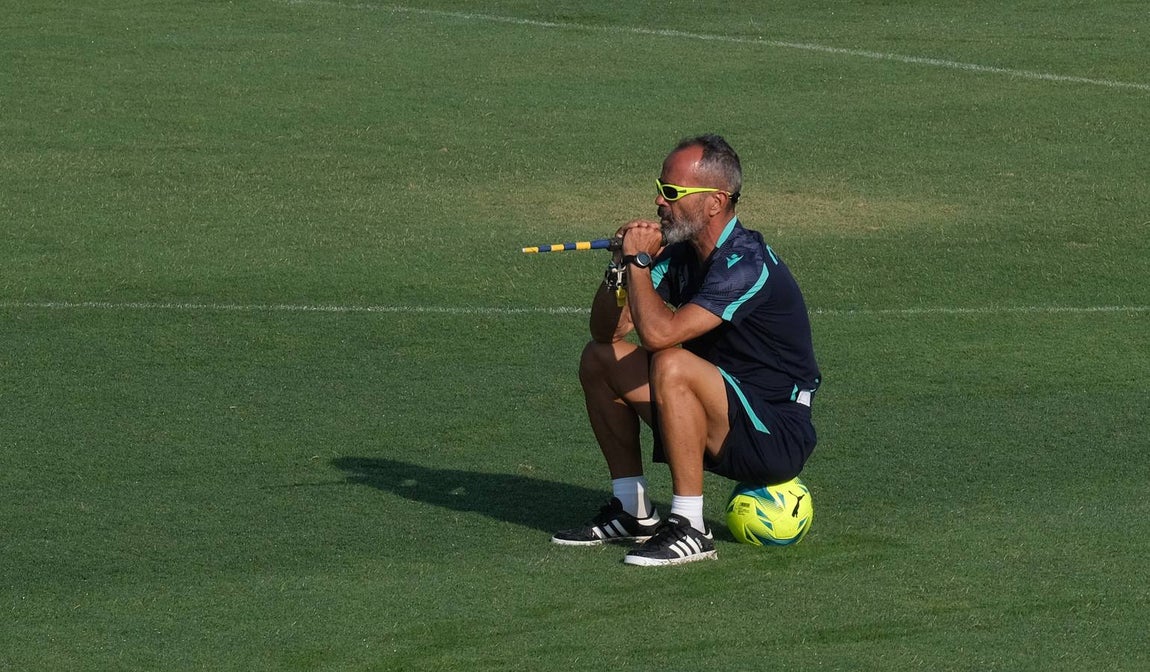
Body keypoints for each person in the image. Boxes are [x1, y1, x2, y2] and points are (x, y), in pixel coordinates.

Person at [551, 134, 821, 566]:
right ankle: (633, 512)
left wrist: (640, 262)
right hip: (709, 411)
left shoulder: (745, 263)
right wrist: (620, 267)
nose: (659, 201)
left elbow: (660, 336)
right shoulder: (679, 254)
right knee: (600, 359)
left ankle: (692, 528)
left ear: (715, 202)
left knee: (672, 360)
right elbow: (607, 331)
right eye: (659, 188)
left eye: (672, 193)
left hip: (774, 435)